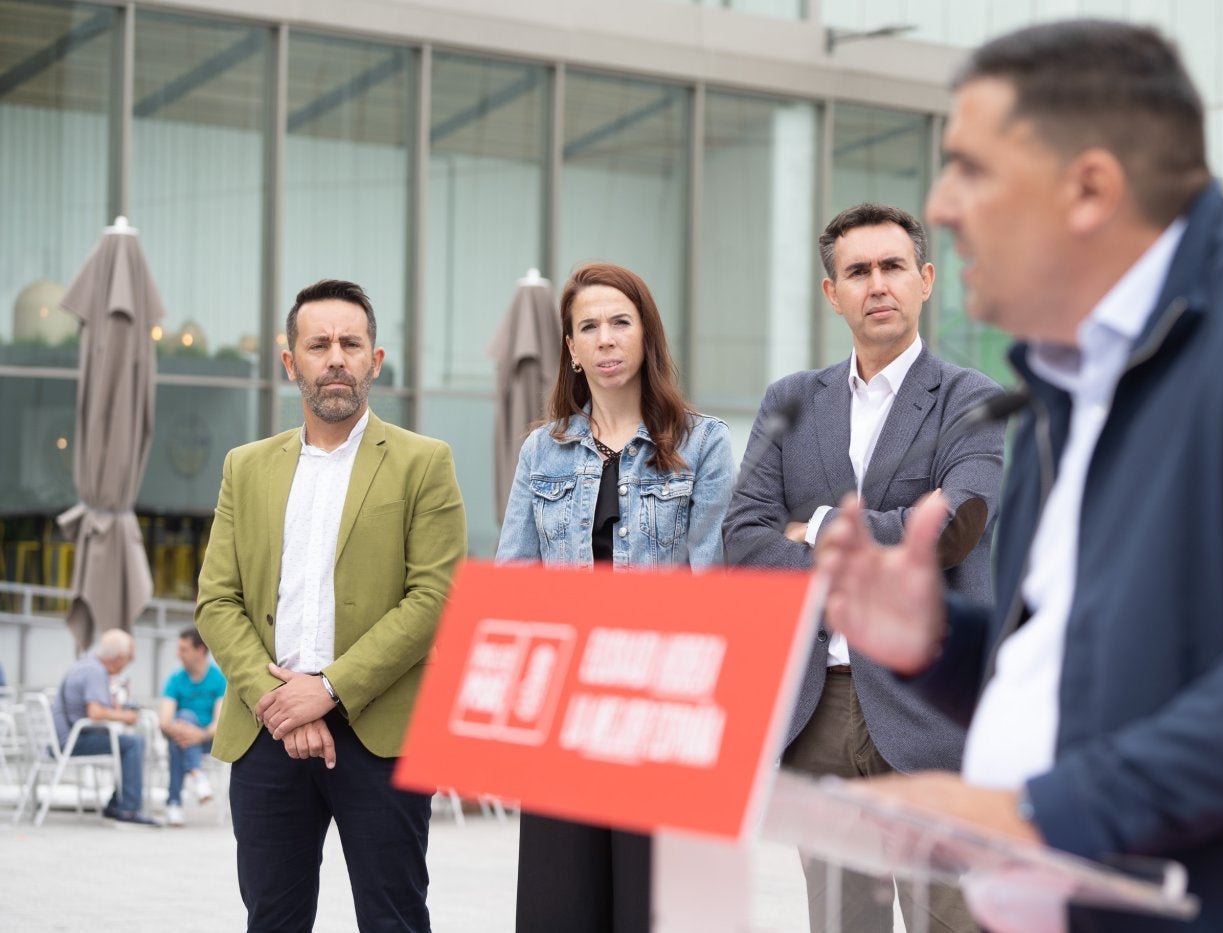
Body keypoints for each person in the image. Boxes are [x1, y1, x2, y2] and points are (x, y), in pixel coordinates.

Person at [815, 19, 1223, 933]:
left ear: (1089, 187)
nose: (944, 204)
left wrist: (1044, 817)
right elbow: (1085, 685)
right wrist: (936, 641)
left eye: (970, 168)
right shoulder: (1063, 384)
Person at [723, 203, 1003, 933]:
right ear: (832, 292)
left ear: (925, 279)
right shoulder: (790, 400)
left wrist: (813, 527)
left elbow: (953, 528)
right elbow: (744, 542)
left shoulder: (971, 400)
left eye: (892, 267)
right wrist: (886, 536)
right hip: (819, 710)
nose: (876, 284)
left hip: (929, 712)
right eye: (857, 271)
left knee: (953, 922)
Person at [196, 278, 466, 932]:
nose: (336, 357)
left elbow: (435, 597)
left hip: (382, 734)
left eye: (351, 342)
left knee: (395, 919)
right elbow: (216, 600)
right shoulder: (245, 466)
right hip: (266, 732)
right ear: (292, 363)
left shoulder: (423, 462)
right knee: (272, 918)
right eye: (319, 344)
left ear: (375, 360)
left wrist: (330, 689)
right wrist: (282, 699)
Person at [497, 261, 734, 933]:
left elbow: (712, 593)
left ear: (646, 336)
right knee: (557, 911)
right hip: (561, 722)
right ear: (569, 348)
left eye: (620, 322)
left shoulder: (703, 444)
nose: (605, 339)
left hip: (658, 716)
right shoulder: (540, 451)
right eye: (588, 327)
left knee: (653, 914)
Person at [52, 629, 157, 825]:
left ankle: (117, 803)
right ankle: (127, 808)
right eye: (130, 658)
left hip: (64, 738)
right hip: (71, 742)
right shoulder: (95, 671)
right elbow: (95, 712)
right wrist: (125, 716)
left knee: (128, 743)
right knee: (134, 743)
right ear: (119, 657)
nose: (129, 663)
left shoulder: (85, 665)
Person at [158, 626, 226, 826]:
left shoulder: (219, 679)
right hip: (181, 738)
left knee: (181, 730)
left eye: (183, 649)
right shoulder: (175, 680)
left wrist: (200, 735)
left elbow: (219, 722)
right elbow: (164, 722)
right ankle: (197, 776)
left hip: (208, 741)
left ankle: (174, 804)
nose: (178, 655)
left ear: (200, 650)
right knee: (182, 724)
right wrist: (184, 731)